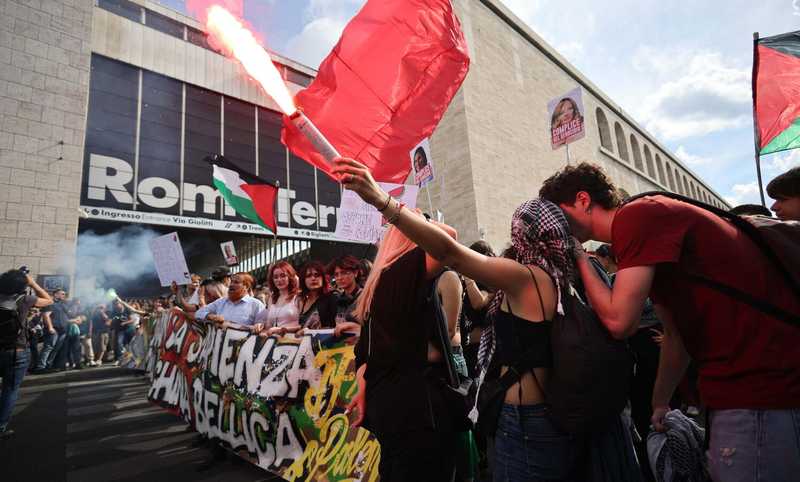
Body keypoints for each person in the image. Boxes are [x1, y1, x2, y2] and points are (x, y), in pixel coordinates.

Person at [539, 162, 800, 482]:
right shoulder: (645, 228)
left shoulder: (637, 216)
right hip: (742, 393)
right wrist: (660, 402)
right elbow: (676, 335)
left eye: (558, 213)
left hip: (757, 393)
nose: (556, 224)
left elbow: (620, 322)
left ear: (582, 200)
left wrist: (579, 256)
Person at [335, 157, 583, 481]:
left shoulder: (377, 284)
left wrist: (364, 386)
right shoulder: (402, 273)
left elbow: (364, 352)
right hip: (417, 409)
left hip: (387, 403)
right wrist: (398, 209)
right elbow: (449, 236)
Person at [0, 269, 52, 438]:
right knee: (10, 390)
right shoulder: (24, 300)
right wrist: (32, 283)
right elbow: (49, 300)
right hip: (16, 350)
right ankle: (1, 426)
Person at [196, 272, 264, 329]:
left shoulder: (256, 305)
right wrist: (210, 316)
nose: (231, 285)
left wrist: (232, 326)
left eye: (236, 282)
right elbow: (198, 313)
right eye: (231, 281)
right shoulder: (221, 302)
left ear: (246, 287)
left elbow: (260, 327)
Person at [255, 261, 300, 336]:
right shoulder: (272, 298)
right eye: (275, 277)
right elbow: (269, 325)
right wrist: (261, 325)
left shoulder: (298, 297)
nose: (279, 280)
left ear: (290, 277)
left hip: (294, 340)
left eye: (283, 276)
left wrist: (281, 329)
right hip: (274, 341)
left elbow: (304, 325)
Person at [294, 261, 337, 331]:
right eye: (308, 276)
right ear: (303, 280)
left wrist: (308, 331)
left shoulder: (332, 298)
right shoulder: (302, 300)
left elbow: (335, 326)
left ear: (323, 278)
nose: (313, 278)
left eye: (317, 275)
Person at [329, 255, 363, 335]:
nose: (339, 278)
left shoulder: (366, 297)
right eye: (336, 274)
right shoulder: (339, 299)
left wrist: (358, 328)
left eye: (344, 273)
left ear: (355, 273)